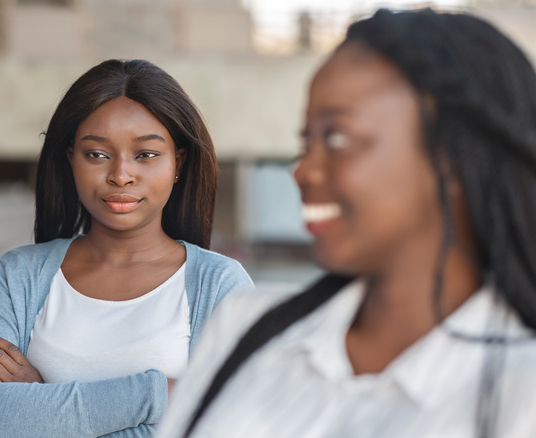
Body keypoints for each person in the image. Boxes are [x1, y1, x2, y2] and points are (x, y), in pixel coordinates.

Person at [156, 8, 536, 438]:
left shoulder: (521, 391)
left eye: (338, 139)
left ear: (452, 161)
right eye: (306, 140)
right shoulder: (245, 327)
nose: (302, 171)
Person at [0, 59, 253, 437]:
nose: (120, 174)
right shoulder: (19, 276)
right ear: (71, 159)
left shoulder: (219, 285)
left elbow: (237, 425)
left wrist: (39, 401)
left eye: (146, 155)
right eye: (97, 154)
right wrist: (157, 395)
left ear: (177, 162)